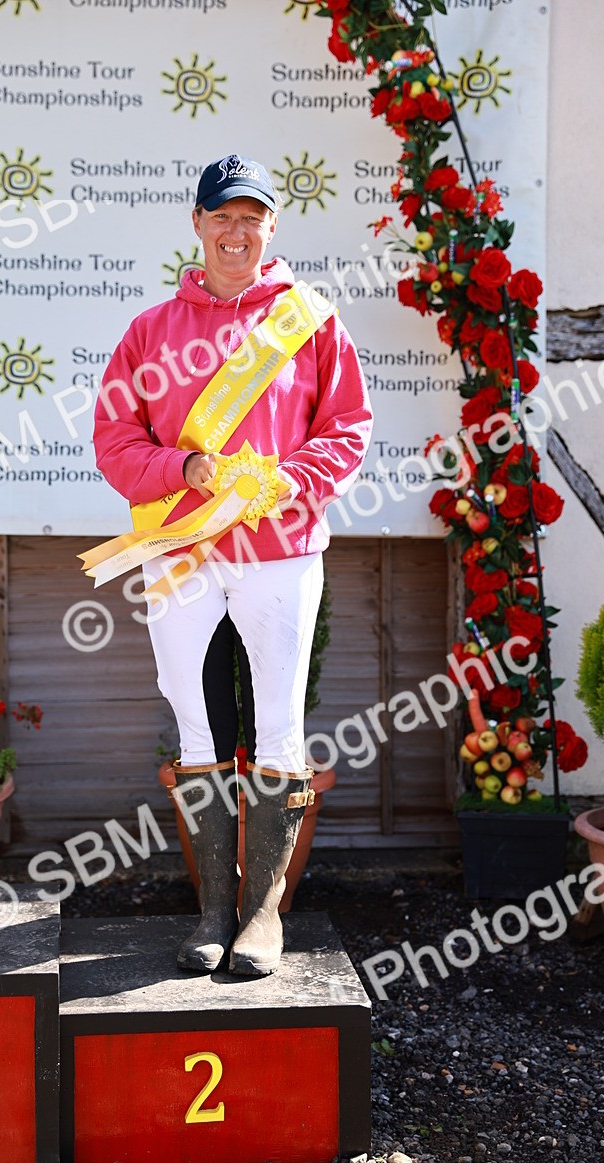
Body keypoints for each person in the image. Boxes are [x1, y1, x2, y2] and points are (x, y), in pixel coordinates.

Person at [93, 152, 372, 976]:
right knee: (195, 721)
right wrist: (180, 471)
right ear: (198, 224)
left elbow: (347, 428)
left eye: (252, 217)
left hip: (279, 549)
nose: (236, 231)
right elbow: (116, 440)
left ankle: (262, 918)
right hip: (179, 549)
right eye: (223, 216)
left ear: (272, 227)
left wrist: (293, 479)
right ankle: (211, 911)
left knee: (280, 721)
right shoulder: (149, 331)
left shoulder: (312, 320)